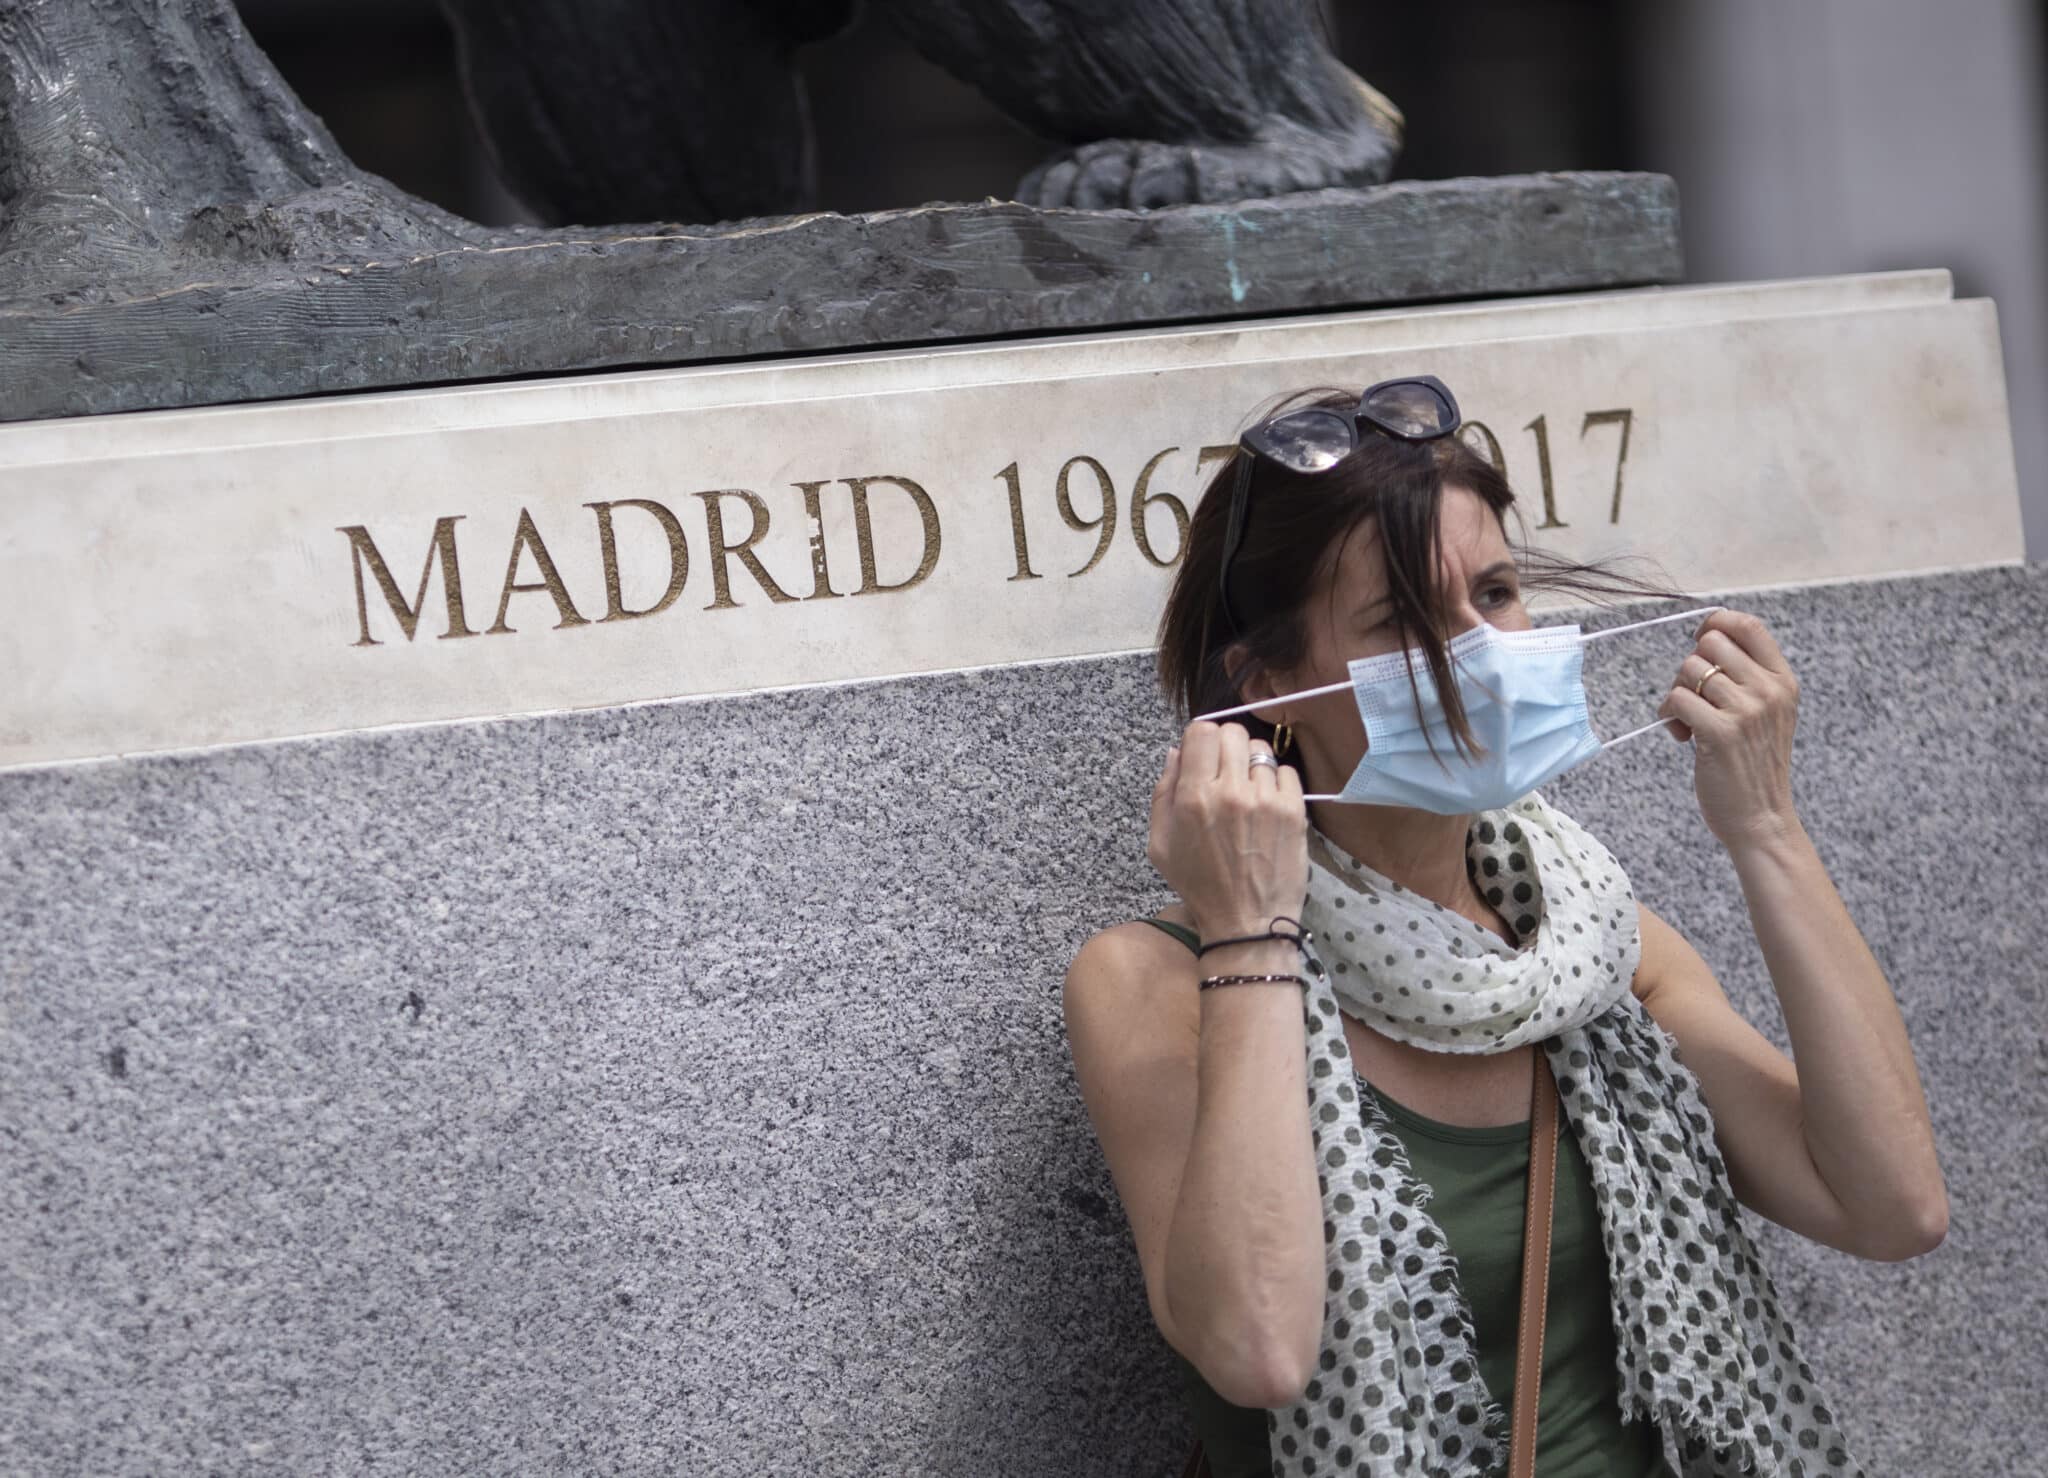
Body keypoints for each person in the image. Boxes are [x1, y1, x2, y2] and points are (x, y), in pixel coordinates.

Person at [1060, 380, 1948, 1478]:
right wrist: (1250, 928)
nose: (1478, 649)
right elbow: (1256, 1348)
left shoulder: (1585, 946)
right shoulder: (1154, 980)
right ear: (1268, 686)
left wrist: (1764, 825)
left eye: (1496, 590)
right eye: (1403, 619)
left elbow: (1890, 1204)